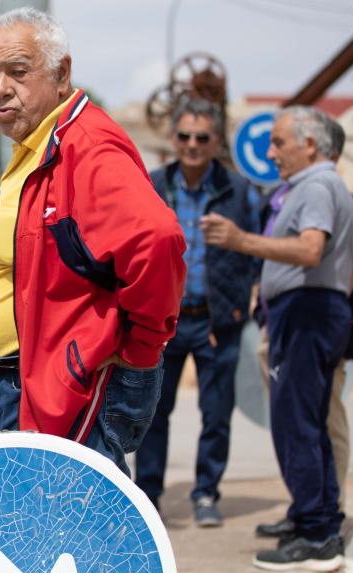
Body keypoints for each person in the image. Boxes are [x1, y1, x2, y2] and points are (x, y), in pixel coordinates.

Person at [0, 7, 186, 475]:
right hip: (24, 385)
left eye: (18, 72)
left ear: (61, 73)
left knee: (82, 535)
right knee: (48, 537)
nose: (1, 87)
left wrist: (139, 352)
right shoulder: (34, 148)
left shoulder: (86, 146)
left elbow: (158, 239)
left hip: (68, 389)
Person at [201, 106, 353, 572]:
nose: (270, 153)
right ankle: (315, 518)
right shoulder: (322, 186)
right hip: (313, 311)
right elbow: (343, 267)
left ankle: (316, 534)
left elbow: (311, 249)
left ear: (310, 145)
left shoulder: (316, 186)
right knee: (304, 421)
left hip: (307, 313)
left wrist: (239, 240)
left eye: (279, 143)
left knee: (298, 425)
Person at [253, 115, 353, 543]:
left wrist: (344, 309)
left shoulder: (337, 199)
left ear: (319, 150)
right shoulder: (285, 198)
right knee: (293, 425)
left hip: (314, 326)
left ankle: (322, 517)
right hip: (285, 325)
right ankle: (306, 509)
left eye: (280, 144)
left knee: (319, 425)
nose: (272, 154)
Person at [134, 98, 259, 526]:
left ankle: (206, 493)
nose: (191, 144)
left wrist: (243, 303)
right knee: (152, 412)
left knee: (216, 413)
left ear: (216, 142)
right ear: (173, 139)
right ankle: (147, 495)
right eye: (184, 136)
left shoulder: (238, 190)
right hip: (162, 320)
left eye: (201, 137)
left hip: (216, 320)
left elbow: (257, 249)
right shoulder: (152, 185)